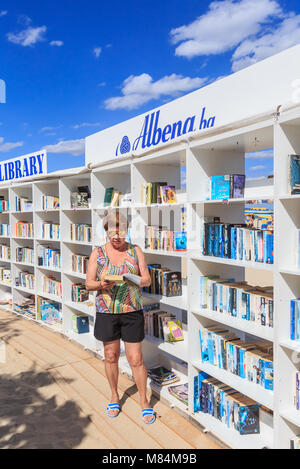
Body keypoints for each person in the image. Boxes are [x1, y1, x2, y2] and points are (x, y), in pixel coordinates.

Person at [85, 210, 155, 424]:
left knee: (136, 359)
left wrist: (133, 279)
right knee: (111, 356)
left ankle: (144, 401)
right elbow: (89, 284)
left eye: (121, 232)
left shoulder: (136, 251)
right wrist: (102, 284)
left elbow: (147, 280)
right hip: (107, 312)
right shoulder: (98, 253)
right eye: (112, 232)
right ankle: (115, 396)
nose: (117, 237)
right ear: (106, 232)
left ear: (126, 231)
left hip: (132, 310)